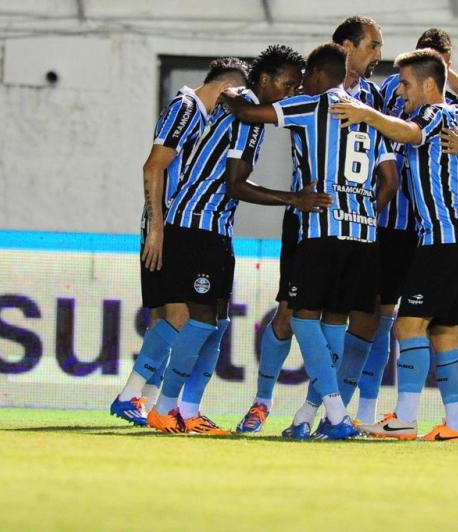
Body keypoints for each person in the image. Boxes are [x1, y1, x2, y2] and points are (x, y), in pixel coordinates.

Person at [146, 47, 330, 435]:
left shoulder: (244, 109)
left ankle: (189, 410)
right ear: (264, 79)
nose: (290, 92)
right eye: (287, 84)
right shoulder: (247, 113)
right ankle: (164, 407)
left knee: (216, 321)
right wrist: (293, 199)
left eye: (296, 86)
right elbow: (236, 184)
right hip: (196, 223)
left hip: (215, 225)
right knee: (202, 320)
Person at [223, 43, 398, 440]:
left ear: (317, 74)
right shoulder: (371, 116)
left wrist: (230, 91)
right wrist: (363, 211)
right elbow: (390, 181)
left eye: (304, 79)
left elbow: (248, 113)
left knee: (301, 316)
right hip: (364, 235)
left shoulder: (312, 104)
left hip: (319, 227)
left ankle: (335, 414)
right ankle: (305, 414)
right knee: (335, 320)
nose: (299, 86)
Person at [331, 48, 458, 441]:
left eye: (405, 84)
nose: (400, 91)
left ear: (428, 84)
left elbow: (409, 133)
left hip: (442, 241)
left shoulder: (434, 113)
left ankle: (404, 418)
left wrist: (367, 114)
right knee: (445, 333)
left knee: (408, 325)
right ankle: (456, 425)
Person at [110, 58, 239, 427]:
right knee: (180, 315)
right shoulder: (187, 109)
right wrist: (157, 227)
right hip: (167, 226)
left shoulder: (198, 114)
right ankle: (130, 396)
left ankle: (146, 402)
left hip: (172, 225)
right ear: (226, 88)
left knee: (168, 316)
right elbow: (154, 165)